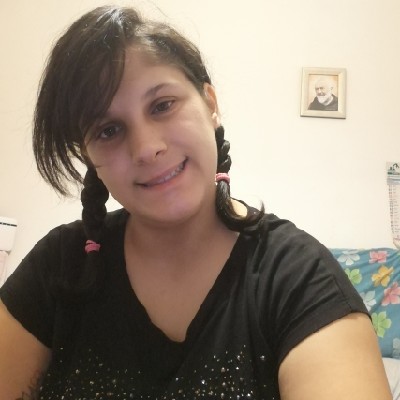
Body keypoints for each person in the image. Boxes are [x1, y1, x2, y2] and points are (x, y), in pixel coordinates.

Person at [0, 5, 392, 400]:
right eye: (109, 130)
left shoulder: (299, 279)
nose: (147, 148)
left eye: (162, 105)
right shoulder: (60, 267)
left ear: (210, 104)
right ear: (88, 154)